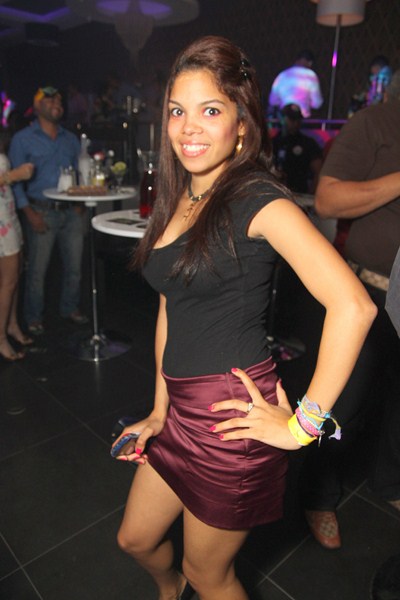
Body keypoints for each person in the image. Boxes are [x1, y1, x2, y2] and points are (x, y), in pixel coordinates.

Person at [111, 36, 375, 599]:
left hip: (230, 420)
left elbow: (354, 306)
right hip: (179, 410)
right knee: (134, 540)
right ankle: (169, 589)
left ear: (241, 124)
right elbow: (171, 303)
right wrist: (159, 410)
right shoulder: (180, 195)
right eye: (177, 111)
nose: (189, 128)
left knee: (211, 575)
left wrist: (302, 426)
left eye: (210, 110)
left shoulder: (260, 200)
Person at [302, 69, 400, 550]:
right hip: (370, 293)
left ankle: (390, 482)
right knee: (344, 404)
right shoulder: (376, 123)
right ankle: (317, 495)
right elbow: (327, 199)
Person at [9, 85, 88, 335]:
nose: (57, 104)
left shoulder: (70, 139)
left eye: (59, 101)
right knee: (37, 271)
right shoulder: (23, 139)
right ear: (37, 106)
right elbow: (15, 182)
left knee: (74, 268)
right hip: (41, 210)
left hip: (71, 211)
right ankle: (33, 317)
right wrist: (28, 212)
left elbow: (79, 173)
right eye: (50, 99)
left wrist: (79, 204)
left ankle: (69, 308)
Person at [0, 134, 34, 360]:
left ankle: (11, 325)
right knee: (8, 281)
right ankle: (0, 337)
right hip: (1, 221)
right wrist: (13, 175)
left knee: (16, 275)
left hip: (8, 212)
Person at [272, 103, 323, 194]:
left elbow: (319, 171)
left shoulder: (307, 143)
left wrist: (310, 194)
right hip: (274, 193)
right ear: (282, 118)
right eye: (292, 119)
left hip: (299, 194)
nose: (296, 123)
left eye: (298, 119)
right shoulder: (273, 143)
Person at [268, 50, 323, 119]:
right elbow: (317, 103)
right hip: (302, 119)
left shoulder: (283, 75)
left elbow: (272, 100)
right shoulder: (311, 75)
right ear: (310, 63)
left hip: (284, 118)